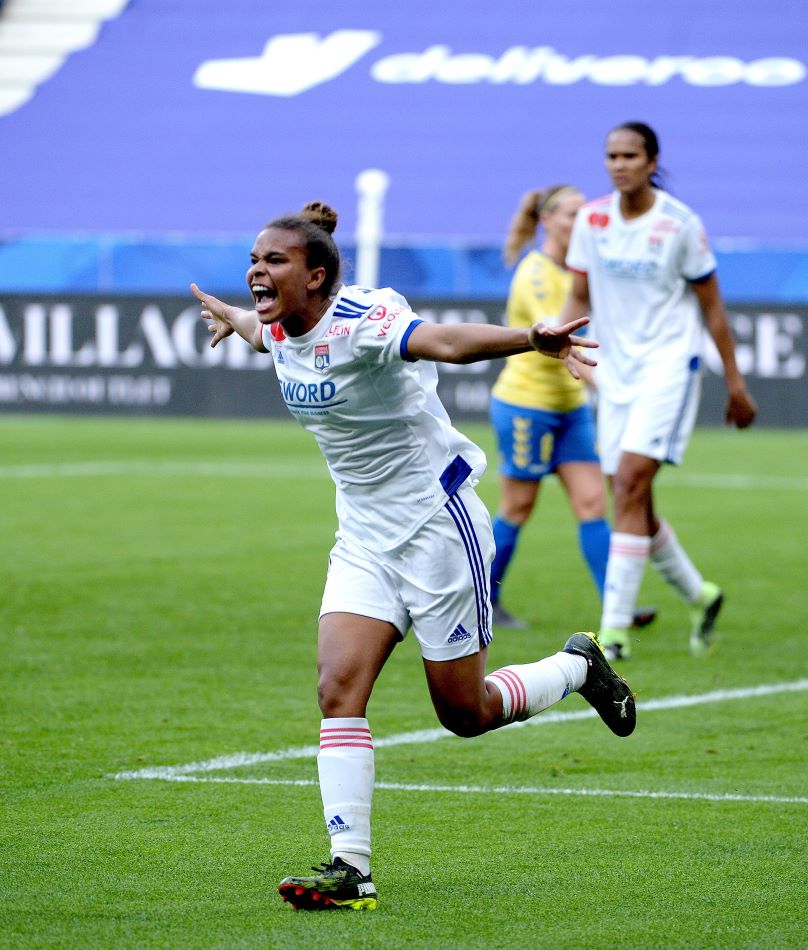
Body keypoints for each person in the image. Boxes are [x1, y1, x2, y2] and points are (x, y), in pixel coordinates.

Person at [191, 201, 636, 911]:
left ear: (318, 275)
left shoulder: (364, 322)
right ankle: (351, 870)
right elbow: (266, 336)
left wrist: (531, 337)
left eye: (274, 260)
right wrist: (235, 321)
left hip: (437, 527)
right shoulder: (279, 324)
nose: (256, 270)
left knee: (465, 713)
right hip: (364, 538)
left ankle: (578, 666)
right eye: (255, 258)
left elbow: (448, 343)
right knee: (338, 687)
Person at [558, 121, 757, 661]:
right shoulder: (592, 220)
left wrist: (735, 384)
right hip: (615, 371)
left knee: (628, 481)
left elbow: (712, 307)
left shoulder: (680, 225)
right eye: (611, 155)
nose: (619, 164)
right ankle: (700, 594)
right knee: (632, 496)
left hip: (669, 366)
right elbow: (578, 293)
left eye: (629, 155)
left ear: (652, 162)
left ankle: (614, 634)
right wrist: (562, 342)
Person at [489, 184, 654, 632]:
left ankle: (616, 608)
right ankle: (484, 599)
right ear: (547, 221)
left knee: (592, 503)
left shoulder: (582, 269)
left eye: (586, 213)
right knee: (518, 507)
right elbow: (562, 345)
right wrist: (618, 391)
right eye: (571, 214)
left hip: (571, 406)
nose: (581, 220)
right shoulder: (536, 274)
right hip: (527, 405)